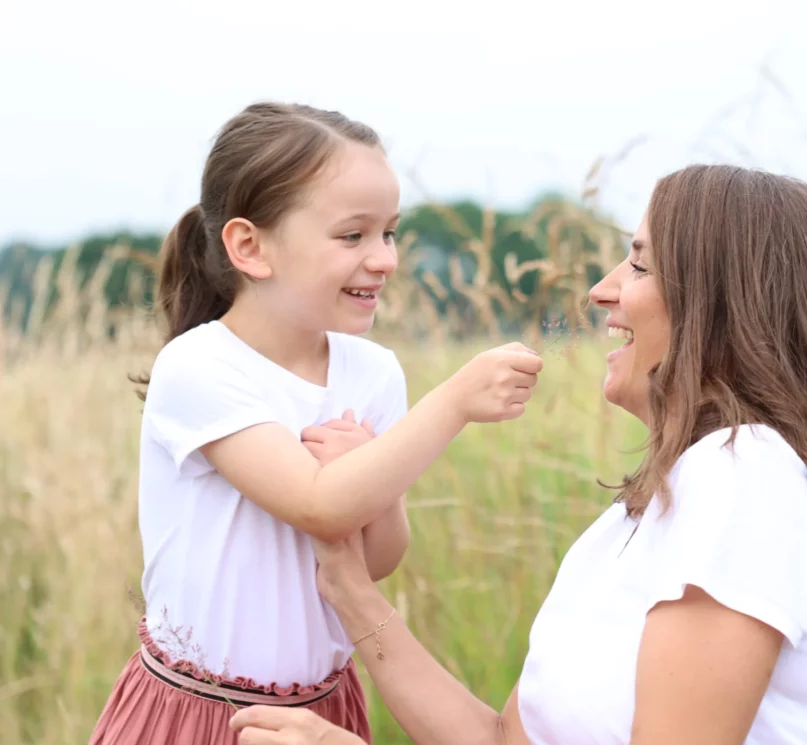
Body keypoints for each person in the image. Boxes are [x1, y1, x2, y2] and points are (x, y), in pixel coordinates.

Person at [229, 164, 807, 745]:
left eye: (638, 264)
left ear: (722, 304)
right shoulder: (640, 517)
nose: (601, 290)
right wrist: (347, 583)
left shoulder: (748, 476)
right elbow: (502, 739)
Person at [88, 102, 544, 745]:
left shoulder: (373, 372)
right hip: (199, 711)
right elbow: (319, 505)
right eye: (352, 236)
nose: (384, 259)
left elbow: (378, 558)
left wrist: (371, 479)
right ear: (250, 246)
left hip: (320, 714)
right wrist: (454, 402)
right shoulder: (199, 366)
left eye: (389, 233)